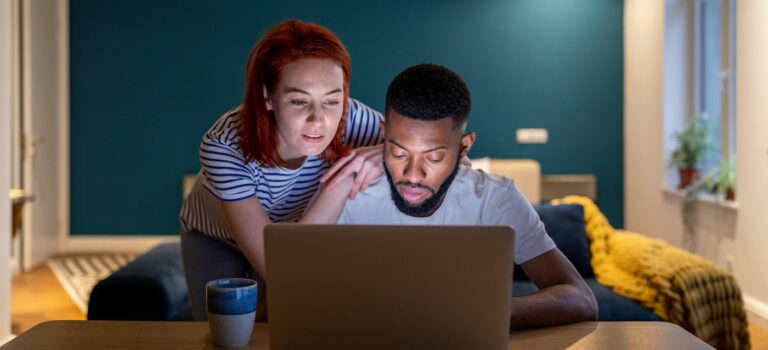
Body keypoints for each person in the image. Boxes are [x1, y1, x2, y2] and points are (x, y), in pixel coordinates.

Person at [335, 63, 599, 328]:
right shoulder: (349, 193)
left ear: (464, 147)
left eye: (434, 157)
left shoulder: (495, 197)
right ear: (383, 135)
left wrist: (485, 313)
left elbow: (581, 299)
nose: (413, 175)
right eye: (399, 153)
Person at [179, 19, 384, 321]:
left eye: (332, 100)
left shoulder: (351, 118)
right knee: (227, 331)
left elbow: (444, 149)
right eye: (299, 100)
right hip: (215, 238)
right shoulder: (224, 145)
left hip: (295, 230)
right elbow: (284, 271)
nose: (318, 120)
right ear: (268, 97)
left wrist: (387, 151)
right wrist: (346, 177)